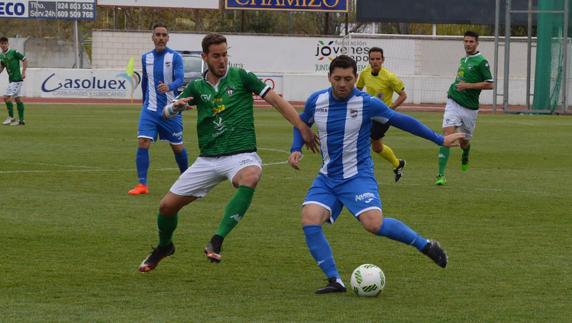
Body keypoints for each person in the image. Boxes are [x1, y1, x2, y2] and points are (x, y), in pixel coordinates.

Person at [138, 33, 317, 272]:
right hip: (208, 159)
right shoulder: (197, 86)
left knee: (251, 175)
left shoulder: (241, 77)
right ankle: (164, 247)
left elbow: (275, 100)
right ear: (205, 57)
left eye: (225, 55)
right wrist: (175, 107)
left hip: (240, 155)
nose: (222, 60)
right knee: (166, 207)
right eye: (216, 56)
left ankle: (217, 239)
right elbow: (167, 112)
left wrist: (302, 126)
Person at [288, 55, 464, 294]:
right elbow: (301, 123)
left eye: (348, 79)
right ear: (329, 77)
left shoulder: (367, 103)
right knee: (309, 220)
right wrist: (295, 149)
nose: (342, 84)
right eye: (337, 78)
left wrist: (440, 139)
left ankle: (425, 245)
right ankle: (335, 281)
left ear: (355, 78)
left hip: (357, 176)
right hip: (328, 177)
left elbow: (402, 121)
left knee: (373, 224)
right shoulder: (316, 101)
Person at [128, 23, 189, 195]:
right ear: (152, 37)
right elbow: (146, 83)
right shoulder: (145, 57)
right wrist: (144, 104)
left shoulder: (175, 57)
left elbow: (180, 80)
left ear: (168, 38)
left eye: (164, 35)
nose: (161, 38)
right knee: (143, 141)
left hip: (171, 109)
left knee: (177, 147)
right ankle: (142, 185)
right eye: (158, 35)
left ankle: (188, 181)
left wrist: (168, 87)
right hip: (150, 110)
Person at [435, 31, 493, 185]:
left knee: (464, 142)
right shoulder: (463, 60)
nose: (468, 44)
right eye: (466, 41)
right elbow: (460, 79)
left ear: (477, 43)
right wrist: (453, 88)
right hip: (453, 102)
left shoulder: (481, 62)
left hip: (470, 108)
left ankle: (466, 152)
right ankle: (440, 175)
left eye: (471, 41)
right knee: (446, 137)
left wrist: (468, 86)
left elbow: (490, 84)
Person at [356, 47, 407, 182]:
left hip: (383, 117)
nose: (375, 61)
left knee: (364, 142)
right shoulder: (364, 74)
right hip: (368, 114)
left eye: (378, 59)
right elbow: (358, 90)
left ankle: (360, 175)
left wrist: (392, 107)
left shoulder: (389, 77)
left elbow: (403, 95)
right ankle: (398, 164)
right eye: (372, 59)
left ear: (383, 60)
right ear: (369, 60)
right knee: (377, 148)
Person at [0, 36, 27, 126]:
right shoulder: (1, 55)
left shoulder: (14, 52)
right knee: (18, 99)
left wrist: (23, 72)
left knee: (6, 97)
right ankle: (21, 121)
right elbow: (2, 66)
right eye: (2, 44)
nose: (3, 45)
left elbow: (25, 59)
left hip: (17, 79)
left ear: (8, 44)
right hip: (11, 80)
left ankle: (11, 117)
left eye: (5, 43)